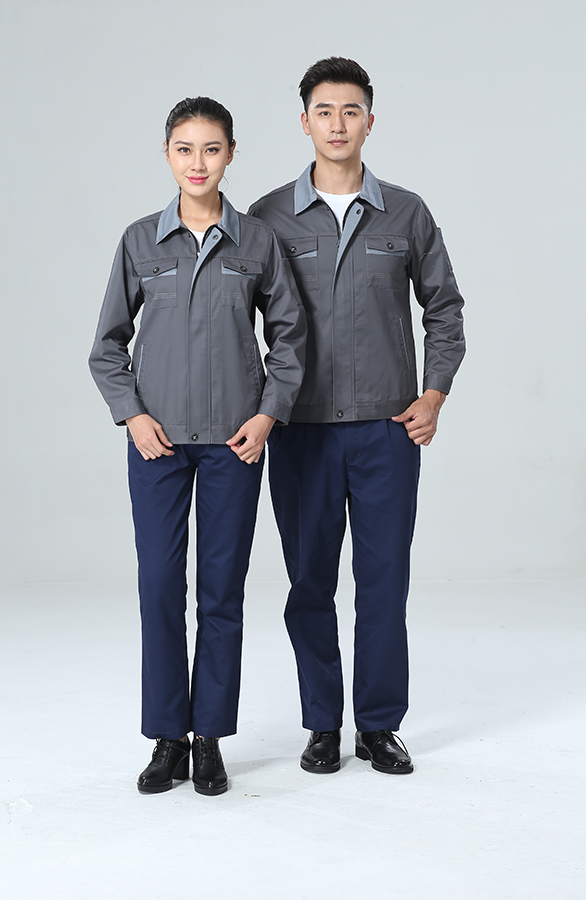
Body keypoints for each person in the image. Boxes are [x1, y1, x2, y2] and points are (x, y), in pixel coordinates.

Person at [249, 58, 465, 775]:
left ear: (370, 120)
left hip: (387, 432)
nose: (337, 124)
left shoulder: (406, 212)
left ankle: (377, 725)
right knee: (309, 583)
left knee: (383, 583)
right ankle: (321, 723)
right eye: (324, 111)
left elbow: (444, 309)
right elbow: (229, 318)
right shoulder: (267, 218)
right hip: (301, 431)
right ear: (304, 121)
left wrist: (433, 394)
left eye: (350, 111)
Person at [89, 97, 306, 796]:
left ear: (231, 155)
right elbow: (107, 347)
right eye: (185, 149)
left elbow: (290, 339)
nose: (198, 162)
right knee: (159, 587)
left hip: (234, 446)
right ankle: (167, 737)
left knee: (220, 591)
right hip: (156, 444)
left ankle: (208, 736)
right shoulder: (139, 242)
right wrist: (132, 417)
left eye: (211, 149)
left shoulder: (257, 243)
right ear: (167, 155)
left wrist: (267, 417)